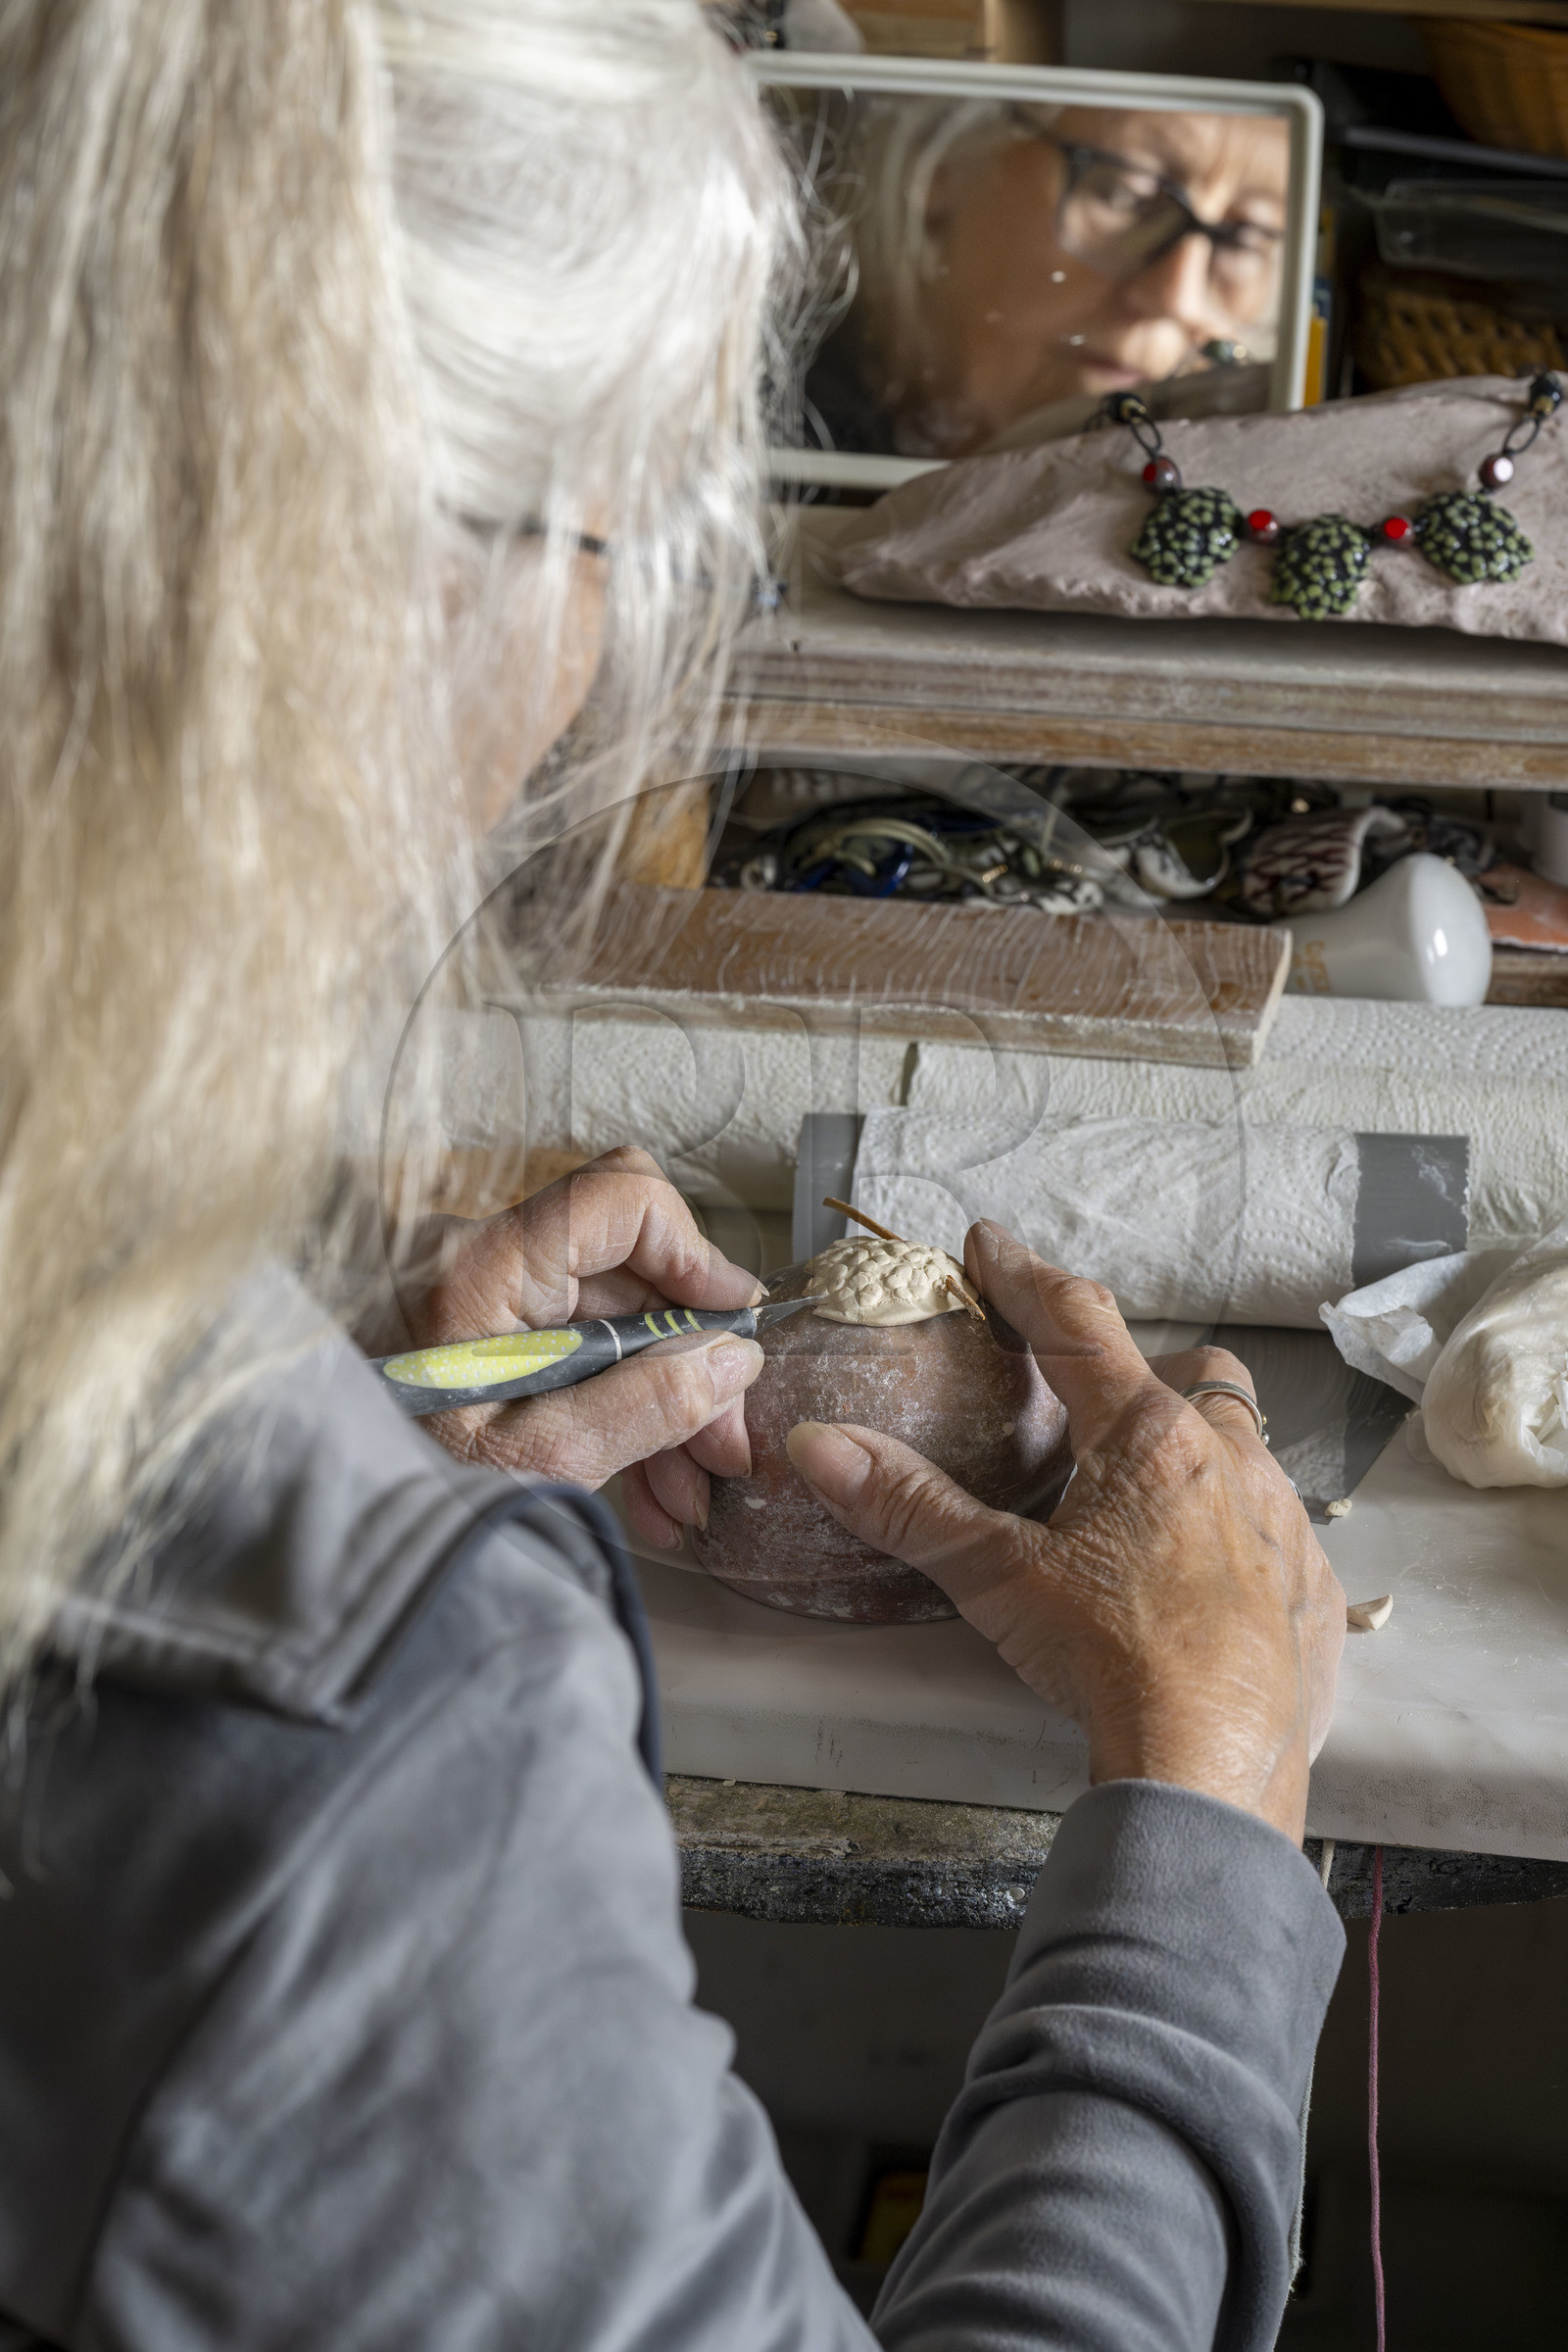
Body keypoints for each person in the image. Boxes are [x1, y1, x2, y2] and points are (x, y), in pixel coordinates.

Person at [0, 6, 1346, 2349]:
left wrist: (286, 1434)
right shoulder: (358, 1691)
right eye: (623, 531)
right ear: (357, 583)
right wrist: (1206, 1798)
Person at [800, 96, 1292, 458]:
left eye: (1244, 238)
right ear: (940, 172)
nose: (1176, 298)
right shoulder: (778, 422)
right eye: (1124, 195)